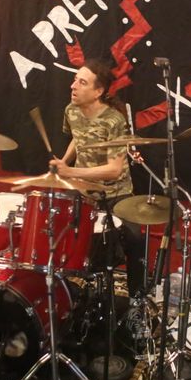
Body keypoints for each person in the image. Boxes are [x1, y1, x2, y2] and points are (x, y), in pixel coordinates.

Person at [48, 58, 146, 294]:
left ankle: (138, 297)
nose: (73, 86)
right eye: (75, 80)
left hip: (116, 194)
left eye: (82, 83)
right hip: (85, 192)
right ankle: (72, 292)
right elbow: (77, 137)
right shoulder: (71, 110)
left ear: (98, 91)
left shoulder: (114, 120)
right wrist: (65, 161)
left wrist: (71, 171)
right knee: (66, 238)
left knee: (135, 243)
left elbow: (114, 169)